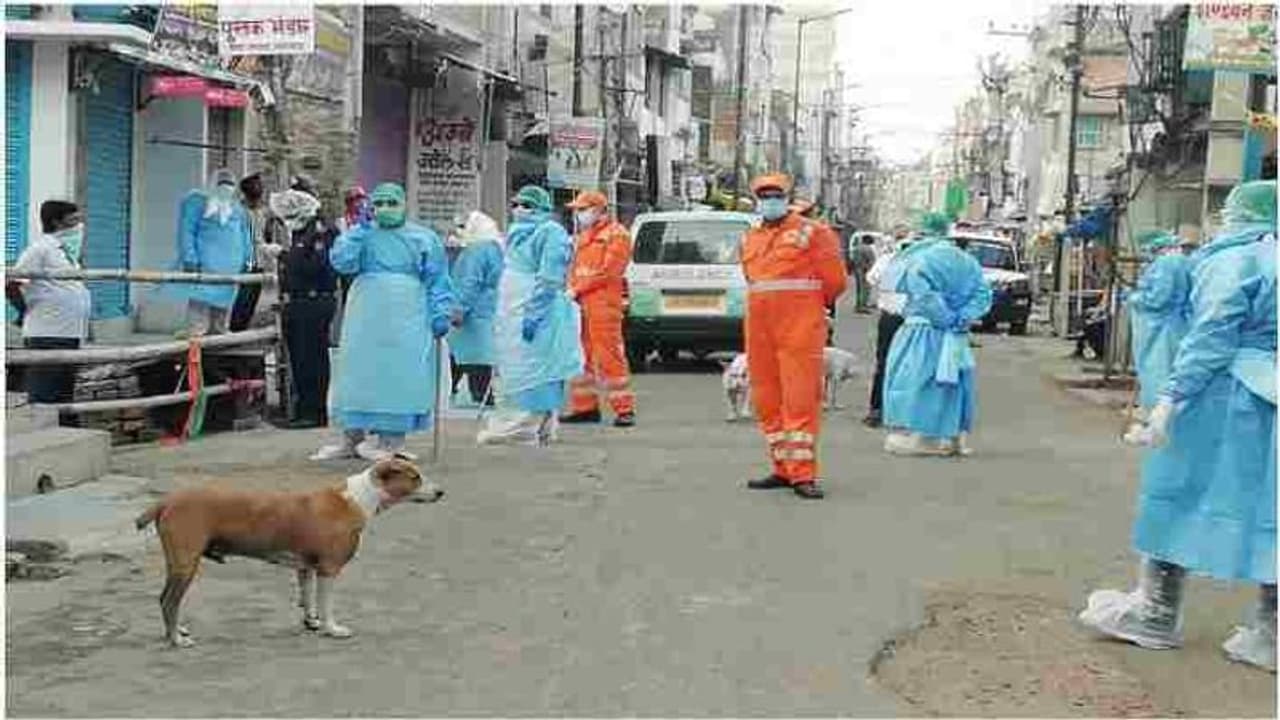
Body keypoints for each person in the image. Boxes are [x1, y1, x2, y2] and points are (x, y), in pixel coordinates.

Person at [1080, 180, 1277, 672]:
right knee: (1271, 512)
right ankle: (1271, 634)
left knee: (1175, 493)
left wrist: (1170, 398)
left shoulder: (1233, 261)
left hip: (1222, 395)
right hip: (1270, 394)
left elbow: (1211, 335)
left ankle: (1155, 613)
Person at [311, 182, 454, 461]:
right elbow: (341, 262)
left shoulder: (423, 238)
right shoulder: (362, 235)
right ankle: (351, 439)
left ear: (403, 204)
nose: (385, 209)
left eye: (392, 203)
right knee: (358, 370)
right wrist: (358, 233)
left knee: (400, 372)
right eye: (379, 204)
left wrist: (440, 312)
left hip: (408, 312)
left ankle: (391, 441)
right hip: (367, 310)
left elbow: (438, 279)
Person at [741, 174, 848, 500]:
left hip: (799, 327)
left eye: (776, 195)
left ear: (787, 198)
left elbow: (835, 282)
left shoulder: (813, 232)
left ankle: (803, 474)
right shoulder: (750, 237)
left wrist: (809, 309)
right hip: (759, 327)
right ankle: (782, 467)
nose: (769, 200)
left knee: (800, 398)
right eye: (764, 195)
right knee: (766, 398)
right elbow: (751, 278)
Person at [477, 185, 583, 447]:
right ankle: (532, 424)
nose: (520, 210)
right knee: (516, 367)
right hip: (512, 310)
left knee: (538, 369)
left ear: (544, 209)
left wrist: (535, 312)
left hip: (538, 312)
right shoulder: (515, 235)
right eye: (516, 204)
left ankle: (527, 426)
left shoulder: (552, 233)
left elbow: (549, 278)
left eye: (528, 205)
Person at [882, 212, 993, 457]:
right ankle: (953, 436)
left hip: (922, 330)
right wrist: (960, 319)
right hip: (955, 336)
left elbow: (921, 296)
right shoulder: (967, 261)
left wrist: (943, 318)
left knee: (918, 381)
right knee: (954, 383)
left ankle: (923, 436)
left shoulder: (918, 258)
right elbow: (983, 294)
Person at [8, 200, 91, 419]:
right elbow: (12, 283)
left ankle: (68, 434)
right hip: (47, 333)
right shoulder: (40, 249)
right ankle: (42, 437)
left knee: (65, 394)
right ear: (56, 222)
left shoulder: (67, 252)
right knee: (44, 393)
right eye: (73, 220)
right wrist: (25, 310)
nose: (79, 225)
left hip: (71, 333)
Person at [561, 190, 637, 428]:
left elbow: (609, 272)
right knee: (580, 357)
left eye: (583, 210)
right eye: (577, 211)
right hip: (581, 303)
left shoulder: (617, 235)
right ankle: (585, 407)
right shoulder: (584, 236)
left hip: (603, 304)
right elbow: (575, 269)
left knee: (609, 357)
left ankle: (624, 410)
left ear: (599, 210)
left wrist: (576, 289)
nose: (578, 215)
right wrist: (571, 289)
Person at [270, 186, 338, 429]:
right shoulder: (301, 232)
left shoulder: (320, 232)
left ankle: (313, 412)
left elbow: (314, 266)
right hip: (298, 302)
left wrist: (284, 256)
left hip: (313, 301)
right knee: (298, 359)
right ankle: (300, 409)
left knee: (311, 359)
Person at [175, 168, 254, 336]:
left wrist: (248, 260)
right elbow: (186, 231)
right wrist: (190, 257)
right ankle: (195, 337)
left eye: (231, 185)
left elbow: (245, 236)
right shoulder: (197, 203)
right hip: (203, 265)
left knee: (224, 304)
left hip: (231, 267)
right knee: (200, 303)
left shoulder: (238, 209)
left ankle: (219, 334)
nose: (227, 189)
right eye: (223, 184)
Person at [1126, 230, 1192, 414]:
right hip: (1180, 326)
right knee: (1174, 371)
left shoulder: (1165, 263)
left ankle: (1158, 417)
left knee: (1157, 373)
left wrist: (1134, 298)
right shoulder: (1185, 261)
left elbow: (1158, 299)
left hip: (1161, 328)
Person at [448, 211, 504, 407]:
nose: (460, 232)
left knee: (463, 354)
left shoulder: (476, 251)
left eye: (464, 227)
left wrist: (459, 308)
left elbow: (469, 282)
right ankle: (483, 395)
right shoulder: (496, 248)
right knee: (481, 355)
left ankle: (470, 394)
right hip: (488, 308)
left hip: (472, 311)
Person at [863, 234, 911, 428]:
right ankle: (900, 411)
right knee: (909, 364)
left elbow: (871, 278)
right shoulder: (922, 261)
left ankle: (877, 410)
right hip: (912, 319)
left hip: (891, 316)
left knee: (884, 362)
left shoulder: (888, 260)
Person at [229, 172, 275, 332]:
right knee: (242, 297)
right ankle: (234, 329)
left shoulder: (264, 212)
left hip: (259, 261)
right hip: (243, 261)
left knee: (252, 298)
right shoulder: (237, 211)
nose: (261, 189)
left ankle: (242, 329)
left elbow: (266, 236)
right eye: (258, 186)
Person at [851, 234, 878, 314]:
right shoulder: (868, 249)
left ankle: (859, 305)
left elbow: (852, 259)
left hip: (857, 269)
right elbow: (871, 261)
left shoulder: (856, 248)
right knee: (865, 289)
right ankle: (863, 306)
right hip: (865, 270)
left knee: (859, 289)